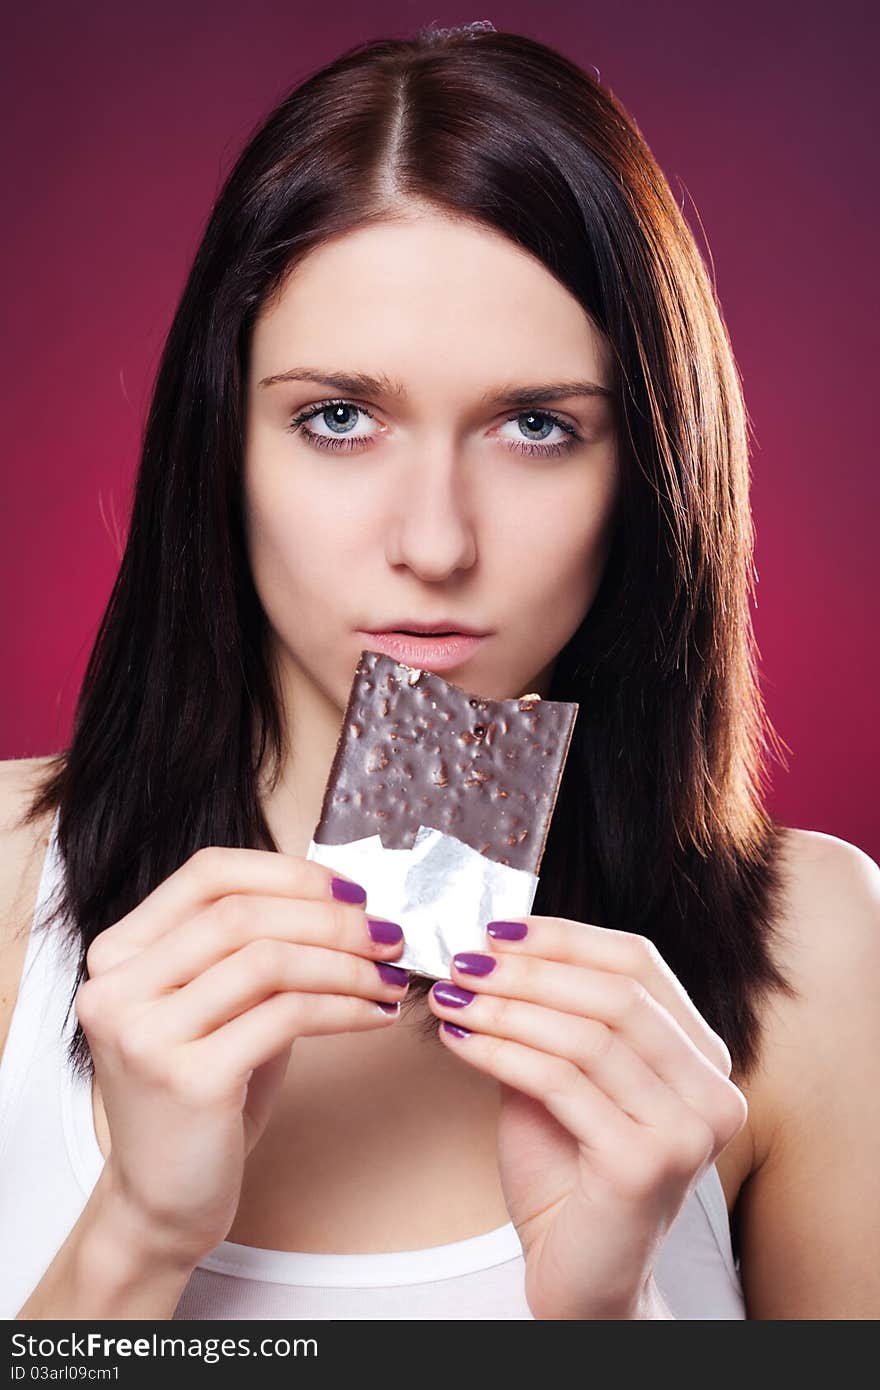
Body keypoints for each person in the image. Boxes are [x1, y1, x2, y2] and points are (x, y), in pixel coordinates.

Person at [1, 22, 878, 1322]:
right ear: (219, 443)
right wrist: (136, 1235)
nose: (434, 542)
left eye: (536, 425)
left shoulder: (820, 943)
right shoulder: (10, 879)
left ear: (647, 468)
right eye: (339, 417)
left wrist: (605, 1318)